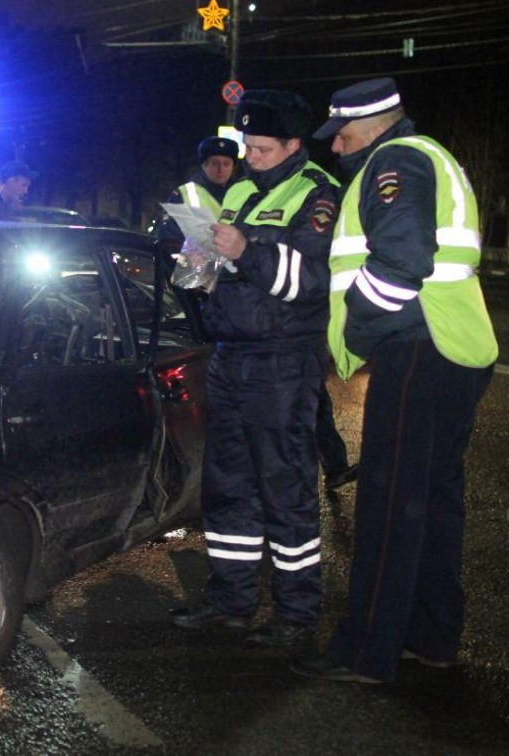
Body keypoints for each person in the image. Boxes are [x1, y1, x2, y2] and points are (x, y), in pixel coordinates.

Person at [292, 78, 497, 683]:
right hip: (454, 346)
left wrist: (356, 327)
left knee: (388, 504)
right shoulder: (430, 155)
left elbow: (403, 260)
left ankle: (364, 651)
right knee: (430, 503)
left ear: (375, 125)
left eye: (344, 135)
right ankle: (431, 637)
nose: (337, 147)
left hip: (418, 348)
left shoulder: (396, 160)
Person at [169, 90, 340, 647]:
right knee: (227, 487)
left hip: (283, 360)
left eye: (264, 148)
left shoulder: (318, 196)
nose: (252, 157)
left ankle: (296, 615)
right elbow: (215, 272)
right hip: (230, 354)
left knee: (285, 489)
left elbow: (309, 282)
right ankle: (231, 601)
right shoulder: (240, 190)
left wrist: (244, 251)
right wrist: (197, 261)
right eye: (248, 146)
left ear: (294, 145)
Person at [153, 135, 242, 241]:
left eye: (226, 164)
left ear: (233, 167)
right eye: (214, 163)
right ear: (204, 165)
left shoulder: (244, 194)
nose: (221, 169)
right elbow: (167, 236)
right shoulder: (184, 194)